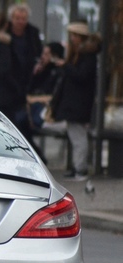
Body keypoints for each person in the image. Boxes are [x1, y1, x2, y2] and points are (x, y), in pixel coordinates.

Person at [48, 22, 102, 181]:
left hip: (78, 102)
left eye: (74, 36)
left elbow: (82, 76)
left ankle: (81, 169)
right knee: (75, 135)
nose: (71, 39)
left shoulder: (87, 55)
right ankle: (77, 167)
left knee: (78, 137)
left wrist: (66, 66)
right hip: (74, 102)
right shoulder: (80, 54)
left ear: (80, 38)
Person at [6, 3, 44, 158]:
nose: (20, 22)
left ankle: (33, 153)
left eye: (23, 19)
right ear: (12, 19)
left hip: (29, 81)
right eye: (17, 18)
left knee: (24, 121)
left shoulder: (32, 33)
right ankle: (34, 154)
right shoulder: (5, 34)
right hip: (11, 84)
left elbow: (38, 53)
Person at [0, 13, 22, 122]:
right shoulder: (4, 46)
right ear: (6, 25)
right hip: (3, 97)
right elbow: (4, 70)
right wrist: (16, 88)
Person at [27, 42, 65, 128]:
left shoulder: (58, 72)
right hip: (35, 102)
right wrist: (35, 74)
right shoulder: (43, 70)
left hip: (45, 105)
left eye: (46, 54)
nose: (43, 57)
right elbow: (30, 89)